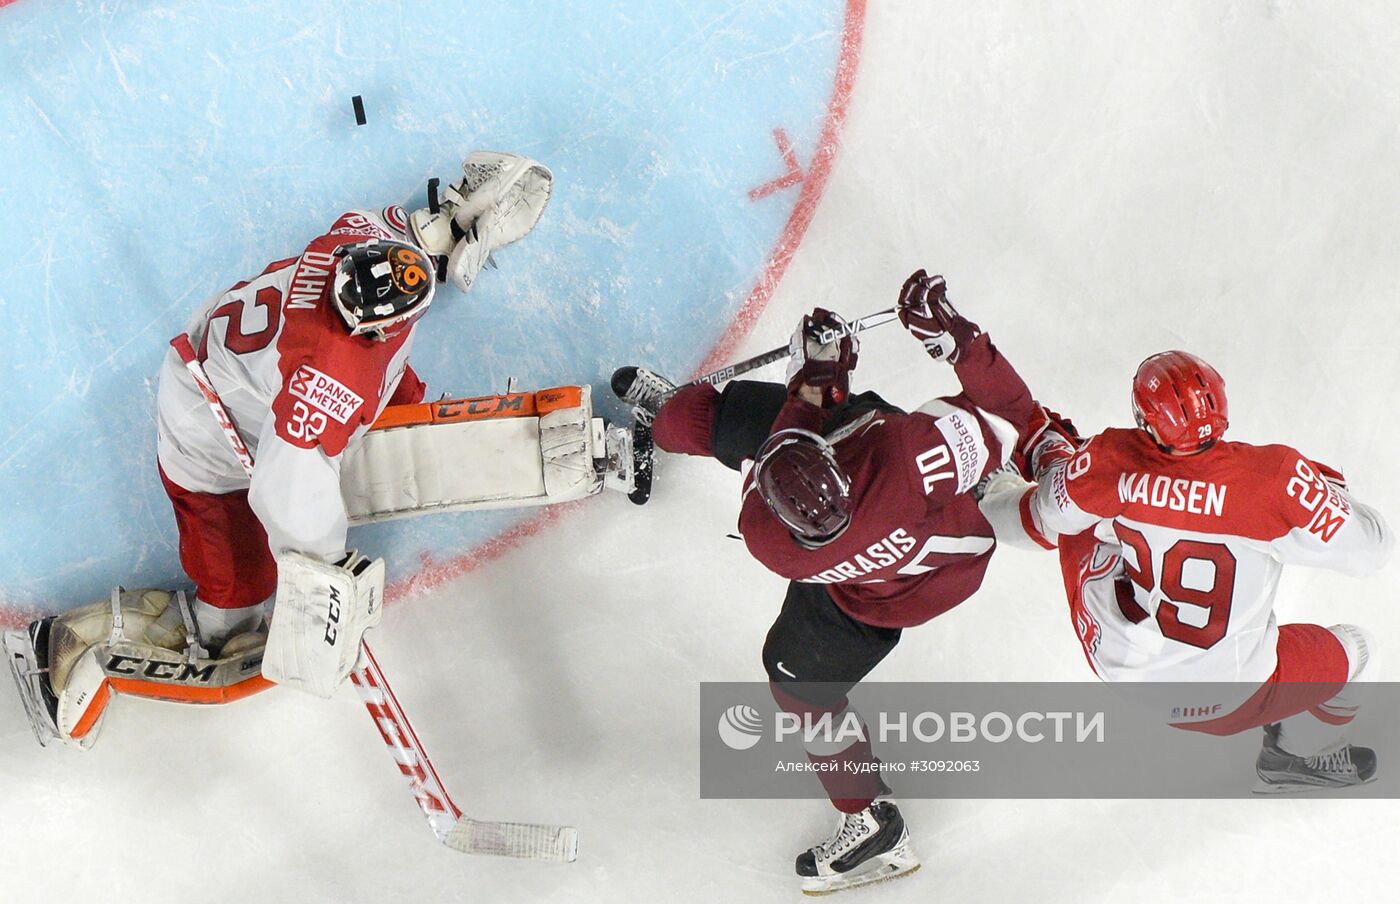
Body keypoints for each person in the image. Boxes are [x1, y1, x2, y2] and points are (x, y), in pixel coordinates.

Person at [5, 151, 552, 749]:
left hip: (244, 358)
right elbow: (285, 491)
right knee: (237, 600)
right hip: (206, 422)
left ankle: (382, 430)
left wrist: (452, 224)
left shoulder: (360, 240)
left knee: (394, 421)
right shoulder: (329, 377)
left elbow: (414, 235)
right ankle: (64, 646)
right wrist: (323, 581)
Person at [614, 271, 1038, 894]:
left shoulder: (768, 535)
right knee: (802, 685)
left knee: (705, 421)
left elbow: (792, 426)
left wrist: (817, 375)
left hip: (871, 592)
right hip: (919, 571)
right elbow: (1011, 414)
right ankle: (978, 485)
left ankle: (871, 830)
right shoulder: (907, 455)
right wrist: (952, 336)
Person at [980, 350, 1394, 791]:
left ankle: (1015, 475)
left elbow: (1038, 523)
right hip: (1235, 696)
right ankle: (1293, 754)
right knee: (1361, 649)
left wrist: (1001, 495)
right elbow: (1374, 550)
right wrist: (1325, 492)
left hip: (1127, 671)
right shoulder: (1274, 479)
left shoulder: (1110, 460)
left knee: (1077, 514)